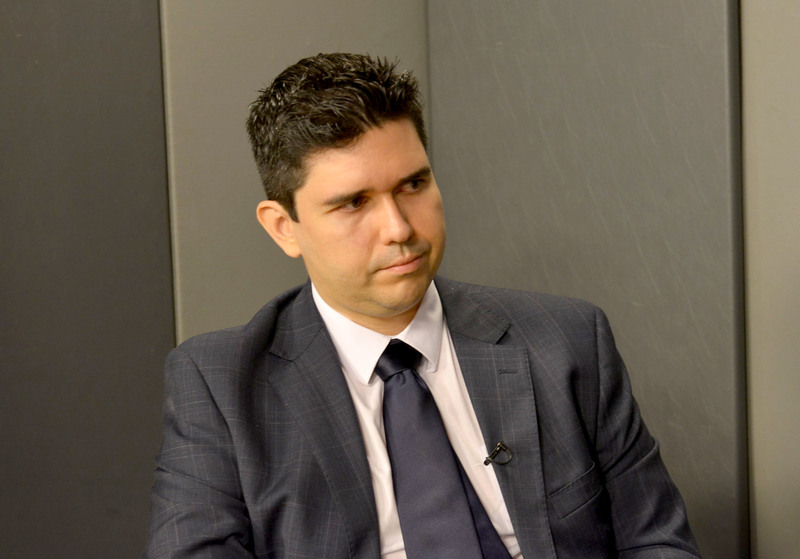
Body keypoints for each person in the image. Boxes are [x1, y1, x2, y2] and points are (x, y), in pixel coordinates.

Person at [144, 53, 700, 558]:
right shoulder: (221, 385)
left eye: (413, 185)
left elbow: (657, 542)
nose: (399, 228)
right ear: (284, 227)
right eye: (354, 202)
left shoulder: (567, 340)